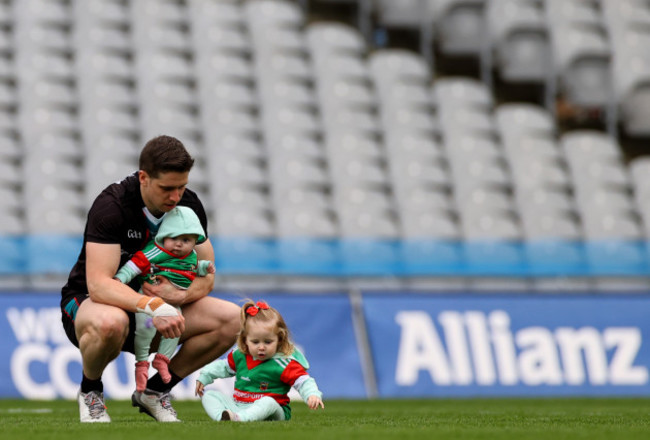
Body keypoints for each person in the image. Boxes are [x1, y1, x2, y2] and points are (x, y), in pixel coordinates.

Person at [60, 135, 240, 423]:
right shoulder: (113, 206)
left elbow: (207, 278)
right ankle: (90, 390)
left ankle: (155, 391)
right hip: (91, 305)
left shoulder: (189, 207)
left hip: (158, 310)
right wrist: (155, 305)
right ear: (143, 177)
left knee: (233, 320)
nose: (175, 197)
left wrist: (178, 297)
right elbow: (99, 285)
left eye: (182, 187)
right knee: (110, 323)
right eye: (167, 188)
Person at [113, 205, 216, 394]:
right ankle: (142, 363)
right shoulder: (156, 251)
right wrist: (119, 280)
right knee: (145, 330)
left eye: (185, 240)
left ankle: (162, 359)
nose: (178, 244)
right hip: (150, 303)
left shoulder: (190, 256)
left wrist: (205, 267)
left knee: (176, 329)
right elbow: (134, 265)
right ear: (163, 236)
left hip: (175, 305)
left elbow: (195, 268)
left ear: (194, 242)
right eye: (173, 238)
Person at [195, 300, 324, 422]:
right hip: (239, 406)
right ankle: (226, 418)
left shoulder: (283, 363)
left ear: (279, 339)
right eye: (255, 342)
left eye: (268, 342)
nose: (261, 347)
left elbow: (303, 381)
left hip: (274, 411)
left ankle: (240, 419)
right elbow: (223, 367)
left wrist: (312, 394)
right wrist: (205, 375)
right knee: (210, 396)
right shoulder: (239, 355)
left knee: (267, 402)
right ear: (245, 340)